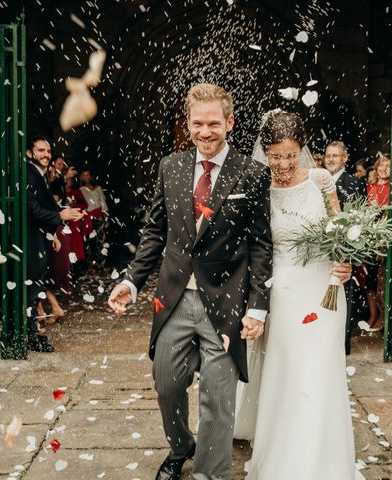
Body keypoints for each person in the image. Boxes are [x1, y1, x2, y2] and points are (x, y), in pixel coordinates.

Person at [107, 83, 272, 480]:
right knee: (166, 383)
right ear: (188, 124)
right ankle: (181, 446)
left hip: (226, 303)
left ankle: (210, 474)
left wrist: (257, 304)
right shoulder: (172, 166)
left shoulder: (252, 174)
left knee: (218, 398)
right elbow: (154, 233)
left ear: (229, 122)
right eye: (197, 123)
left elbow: (261, 245)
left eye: (214, 122)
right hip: (174, 300)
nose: (205, 131)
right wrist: (131, 282)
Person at [244, 111, 361, 479]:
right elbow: (256, 244)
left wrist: (346, 264)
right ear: (265, 152)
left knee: (322, 369)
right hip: (283, 289)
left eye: (290, 154)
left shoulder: (322, 179)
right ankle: (284, 457)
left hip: (325, 288)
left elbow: (340, 229)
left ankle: (324, 460)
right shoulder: (259, 186)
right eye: (275, 155)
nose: (282, 163)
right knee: (288, 370)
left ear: (303, 150)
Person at [26, 135, 83, 352]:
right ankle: (29, 335)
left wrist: (54, 234)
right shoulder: (28, 174)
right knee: (31, 287)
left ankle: (32, 333)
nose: (46, 155)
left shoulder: (39, 175)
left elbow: (44, 207)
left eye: (48, 151)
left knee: (37, 285)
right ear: (30, 153)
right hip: (29, 240)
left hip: (41, 237)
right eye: (41, 151)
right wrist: (61, 216)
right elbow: (32, 210)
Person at [324, 140, 366, 354]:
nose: (330, 159)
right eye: (328, 155)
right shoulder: (319, 181)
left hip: (344, 249)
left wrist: (348, 249)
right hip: (323, 248)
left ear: (345, 158)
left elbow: (357, 216)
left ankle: (342, 344)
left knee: (344, 297)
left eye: (335, 156)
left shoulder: (354, 182)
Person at [365, 153, 392, 330]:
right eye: (381, 165)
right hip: (369, 240)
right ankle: (372, 314)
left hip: (385, 241)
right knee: (369, 280)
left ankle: (383, 317)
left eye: (388, 166)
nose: (383, 169)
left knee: (383, 280)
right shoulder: (370, 187)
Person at [80, 168, 108, 269]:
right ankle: (90, 264)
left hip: (98, 217)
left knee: (100, 240)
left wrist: (105, 217)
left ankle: (101, 264)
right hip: (87, 218)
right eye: (84, 175)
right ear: (81, 177)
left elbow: (103, 203)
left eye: (88, 174)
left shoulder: (98, 188)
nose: (86, 177)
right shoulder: (81, 190)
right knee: (88, 241)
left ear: (91, 176)